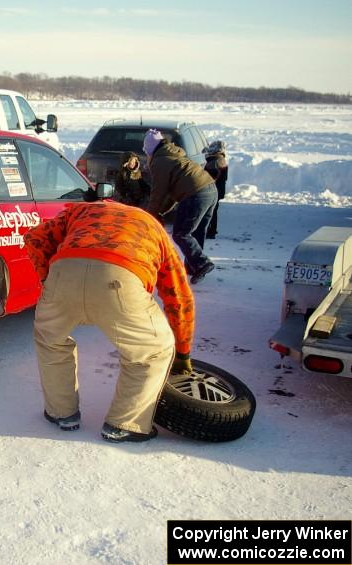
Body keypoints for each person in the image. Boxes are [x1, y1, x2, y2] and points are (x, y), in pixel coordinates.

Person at [25, 200, 195, 442]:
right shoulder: (153, 228)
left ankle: (61, 413)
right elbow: (178, 296)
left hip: (64, 271)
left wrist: (49, 280)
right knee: (152, 352)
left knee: (50, 341)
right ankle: (126, 424)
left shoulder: (81, 210)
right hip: (121, 276)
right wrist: (183, 352)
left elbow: (35, 238)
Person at [144, 129, 218, 284]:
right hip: (210, 190)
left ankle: (202, 263)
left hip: (196, 193)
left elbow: (158, 192)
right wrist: (162, 211)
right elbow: (171, 194)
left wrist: (149, 216)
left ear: (150, 149)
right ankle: (194, 267)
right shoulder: (173, 154)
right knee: (196, 231)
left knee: (181, 233)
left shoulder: (160, 161)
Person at [203, 140, 229, 239]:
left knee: (211, 211)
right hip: (218, 189)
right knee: (213, 210)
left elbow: (209, 177)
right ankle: (212, 230)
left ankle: (211, 231)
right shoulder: (220, 159)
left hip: (213, 190)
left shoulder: (215, 161)